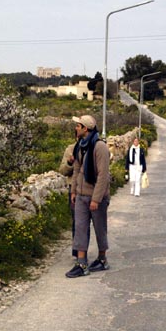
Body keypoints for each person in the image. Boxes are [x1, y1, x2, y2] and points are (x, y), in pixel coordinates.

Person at [65, 115, 111, 278]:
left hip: (96, 198)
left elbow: (103, 176)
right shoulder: (80, 146)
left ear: (85, 128)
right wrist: (74, 191)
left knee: (100, 229)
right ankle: (82, 263)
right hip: (81, 196)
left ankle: (102, 259)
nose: (75, 128)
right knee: (80, 228)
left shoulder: (100, 148)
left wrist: (96, 199)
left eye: (78, 125)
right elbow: (77, 170)